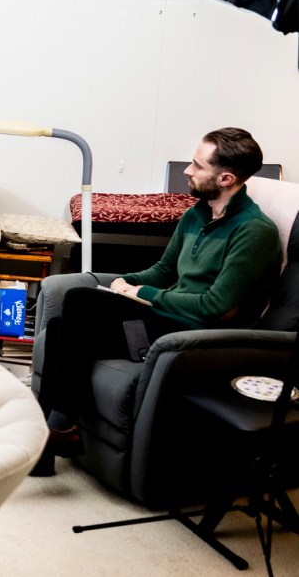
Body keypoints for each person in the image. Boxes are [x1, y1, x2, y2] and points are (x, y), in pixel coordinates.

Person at [40, 127, 282, 458]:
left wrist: (143, 292)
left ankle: (52, 434)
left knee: (80, 302)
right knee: (61, 324)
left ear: (225, 178)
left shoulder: (254, 232)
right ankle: (49, 436)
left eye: (197, 165)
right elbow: (165, 270)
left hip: (193, 335)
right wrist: (123, 282)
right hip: (163, 318)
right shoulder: (196, 214)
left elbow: (216, 306)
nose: (187, 171)